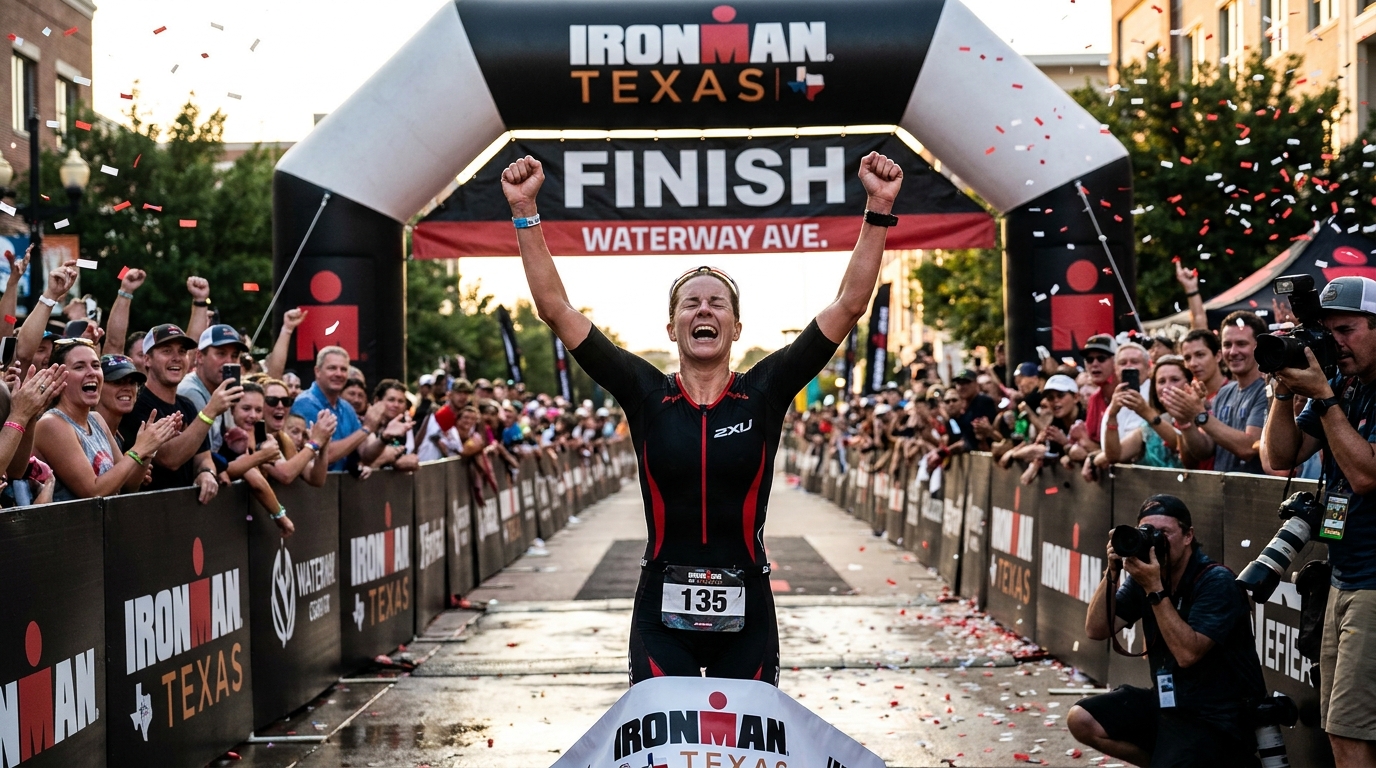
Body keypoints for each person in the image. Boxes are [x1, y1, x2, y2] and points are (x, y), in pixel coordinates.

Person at [501, 150, 903, 685]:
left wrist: (878, 206)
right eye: (691, 304)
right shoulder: (644, 392)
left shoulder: (765, 391)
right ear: (673, 329)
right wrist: (525, 210)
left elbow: (850, 303)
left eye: (718, 303)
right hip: (661, 614)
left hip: (749, 613)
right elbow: (557, 309)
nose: (705, 310)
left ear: (736, 328)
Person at [1261, 275, 1376, 766]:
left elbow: (1366, 475)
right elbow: (1279, 454)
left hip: (1374, 583)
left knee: (1351, 735)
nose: (1336, 343)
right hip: (1345, 574)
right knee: (1338, 730)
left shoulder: (1340, 394)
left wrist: (1324, 400)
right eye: (1328, 332)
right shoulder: (1345, 384)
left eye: (1347, 330)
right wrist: (1285, 390)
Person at [1073, 495, 1265, 766]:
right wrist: (1112, 571)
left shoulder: (1215, 580)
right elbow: (1097, 629)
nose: (1155, 540)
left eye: (1164, 532)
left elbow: (1187, 654)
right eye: (1147, 532)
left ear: (1188, 536)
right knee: (1081, 719)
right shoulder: (1149, 576)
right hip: (1170, 703)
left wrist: (1154, 589)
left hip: (1216, 717)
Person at [35, 340, 179, 501]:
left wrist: (149, 449)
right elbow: (92, 491)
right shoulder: (52, 424)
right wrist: (139, 449)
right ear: (59, 377)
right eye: (79, 367)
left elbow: (128, 485)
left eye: (96, 366)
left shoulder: (96, 419)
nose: (92, 372)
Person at [119, 324, 235, 501]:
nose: (177, 358)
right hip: (147, 512)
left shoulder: (186, 404)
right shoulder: (136, 404)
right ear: (147, 360)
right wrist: (210, 411)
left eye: (182, 351)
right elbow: (170, 460)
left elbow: (203, 457)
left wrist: (206, 472)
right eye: (167, 351)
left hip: (184, 512)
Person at [1167, 311, 1268, 474]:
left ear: (1259, 346)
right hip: (1222, 493)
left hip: (1257, 494)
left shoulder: (1268, 391)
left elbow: (1249, 447)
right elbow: (1205, 450)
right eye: (1227, 345)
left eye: (1241, 344)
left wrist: (1200, 415)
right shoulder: (1225, 392)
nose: (1233, 352)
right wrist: (1185, 421)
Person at [290, 346, 393, 471]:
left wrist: (384, 437)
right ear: (317, 371)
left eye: (343, 369)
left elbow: (365, 455)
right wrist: (366, 429)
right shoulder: (305, 403)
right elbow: (325, 454)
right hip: (311, 487)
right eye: (332, 368)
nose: (338, 374)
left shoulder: (346, 407)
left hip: (339, 487)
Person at [1103, 356, 1190, 468]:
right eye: (1161, 381)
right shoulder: (1147, 429)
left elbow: (1182, 447)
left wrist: (1145, 412)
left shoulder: (1197, 416)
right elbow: (1114, 456)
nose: (1167, 386)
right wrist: (1112, 415)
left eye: (1175, 380)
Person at [178, 323, 250, 453]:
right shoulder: (191, 391)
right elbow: (203, 456)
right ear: (200, 357)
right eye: (221, 354)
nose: (229, 361)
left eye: (234, 356)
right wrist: (260, 456)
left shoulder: (222, 390)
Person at [260, 378, 332, 487]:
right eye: (272, 401)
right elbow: (286, 475)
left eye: (286, 401)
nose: (280, 406)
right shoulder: (257, 437)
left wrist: (324, 444)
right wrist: (314, 442)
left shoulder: (285, 440)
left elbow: (316, 479)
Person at [95, 355, 145, 450]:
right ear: (97, 386)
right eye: (117, 382)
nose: (127, 388)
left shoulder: (122, 435)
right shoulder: (86, 433)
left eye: (132, 382)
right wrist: (143, 448)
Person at [370, 379, 419, 471]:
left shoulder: (407, 428)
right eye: (391, 400)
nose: (396, 405)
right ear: (377, 401)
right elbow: (363, 462)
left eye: (400, 401)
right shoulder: (365, 426)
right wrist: (394, 461)